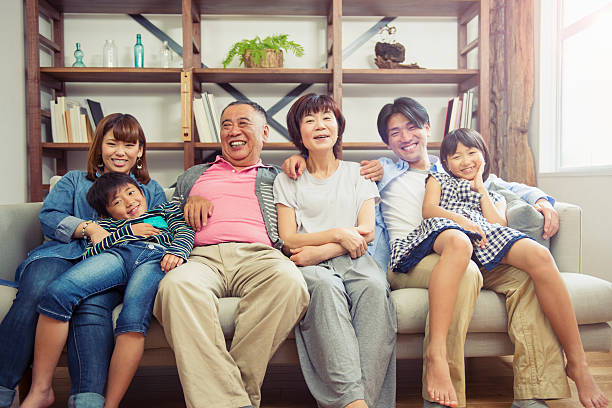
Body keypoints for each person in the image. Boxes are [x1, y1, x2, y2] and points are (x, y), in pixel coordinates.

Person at [280, 96, 570, 408]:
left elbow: (503, 185)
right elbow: (320, 170)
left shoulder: (454, 165)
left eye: (412, 127)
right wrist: (296, 157)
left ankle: (534, 394)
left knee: (523, 277)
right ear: (386, 142)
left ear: (428, 129)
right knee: (464, 272)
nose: (406, 137)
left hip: (467, 249)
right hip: (413, 258)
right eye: (395, 133)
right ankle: (442, 394)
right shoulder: (385, 171)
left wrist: (542, 200)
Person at [391, 128, 607, 408]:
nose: (465, 160)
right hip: (445, 230)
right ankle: (436, 355)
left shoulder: (491, 190)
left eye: (471, 153)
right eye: (456, 156)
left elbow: (498, 225)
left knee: (538, 257)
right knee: (459, 242)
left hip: (483, 238)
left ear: (484, 157)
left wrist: (481, 189)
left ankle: (577, 363)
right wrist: (463, 222)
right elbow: (429, 210)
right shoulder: (438, 177)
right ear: (445, 162)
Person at [0, 113, 166, 408]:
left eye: (129, 145)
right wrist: (88, 227)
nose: (120, 152)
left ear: (140, 151)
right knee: (37, 289)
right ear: (99, 146)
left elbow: (162, 228)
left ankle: (87, 399)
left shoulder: (150, 190)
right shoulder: (74, 181)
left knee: (92, 307)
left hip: (112, 267)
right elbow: (49, 217)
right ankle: (8, 390)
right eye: (112, 143)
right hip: (60, 255)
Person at [152, 100, 309, 408]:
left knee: (290, 282)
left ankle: (223, 398)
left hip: (261, 256)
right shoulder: (194, 175)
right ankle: (236, 401)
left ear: (264, 133)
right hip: (201, 256)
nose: (233, 131)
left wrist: (300, 158)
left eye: (243, 123)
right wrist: (185, 207)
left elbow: (323, 185)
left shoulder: (278, 176)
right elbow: (160, 213)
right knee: (174, 287)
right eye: (226, 125)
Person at [21, 172, 194, 408]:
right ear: (107, 212)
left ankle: (110, 405)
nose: (129, 202)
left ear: (142, 193)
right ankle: (41, 389)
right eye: (117, 202)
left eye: (131, 193)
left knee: (132, 320)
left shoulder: (163, 211)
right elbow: (90, 253)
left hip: (154, 260)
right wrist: (129, 232)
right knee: (57, 293)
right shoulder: (106, 225)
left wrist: (178, 252)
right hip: (117, 255)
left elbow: (184, 231)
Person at [274, 93, 396, 408]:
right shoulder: (287, 179)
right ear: (297, 133)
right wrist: (340, 234)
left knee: (373, 286)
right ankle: (353, 401)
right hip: (311, 266)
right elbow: (289, 239)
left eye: (327, 118)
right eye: (310, 119)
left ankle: (357, 403)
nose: (320, 125)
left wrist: (319, 250)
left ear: (338, 127)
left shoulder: (359, 173)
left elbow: (366, 232)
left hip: (352, 259)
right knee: (325, 289)